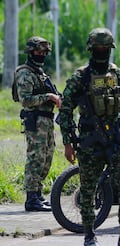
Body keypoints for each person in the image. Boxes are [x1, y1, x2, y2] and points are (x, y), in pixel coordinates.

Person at [58, 28, 120, 246]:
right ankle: (89, 236)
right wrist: (68, 142)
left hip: (116, 140)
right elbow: (66, 112)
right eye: (98, 48)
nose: (102, 51)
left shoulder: (119, 76)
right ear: (91, 49)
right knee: (88, 190)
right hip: (90, 141)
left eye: (105, 48)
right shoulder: (80, 78)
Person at [14, 36, 62, 212]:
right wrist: (49, 97)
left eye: (44, 52)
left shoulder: (40, 74)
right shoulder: (24, 72)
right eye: (38, 52)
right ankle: (31, 198)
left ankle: (38, 194)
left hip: (47, 121)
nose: (41, 55)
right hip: (35, 120)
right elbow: (25, 100)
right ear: (30, 52)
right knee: (36, 158)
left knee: (46, 158)